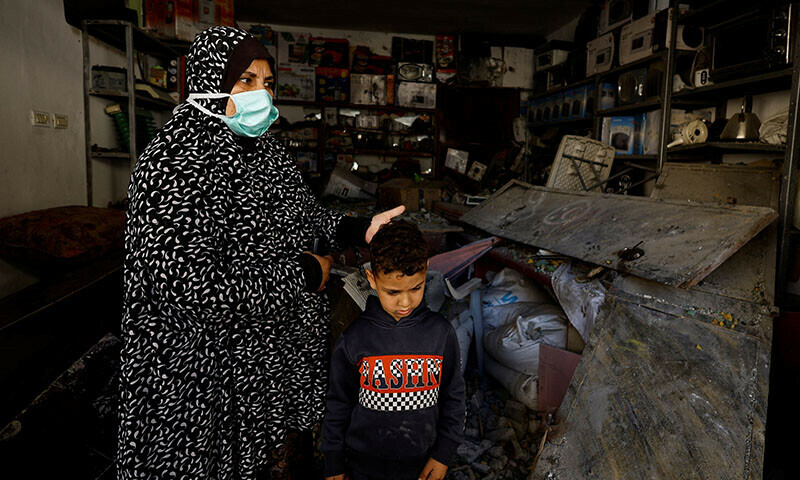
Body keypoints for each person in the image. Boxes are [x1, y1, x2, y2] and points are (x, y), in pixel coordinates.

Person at [118, 26, 403, 479]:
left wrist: (358, 229)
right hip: (198, 371)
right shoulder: (172, 162)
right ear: (208, 81)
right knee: (200, 464)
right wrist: (306, 272)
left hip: (259, 361)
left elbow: (306, 215)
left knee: (257, 463)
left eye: (267, 83)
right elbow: (196, 287)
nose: (260, 95)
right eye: (245, 80)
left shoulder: (264, 150)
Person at [321, 220, 466, 480]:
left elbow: (454, 398)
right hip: (363, 467)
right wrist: (334, 464)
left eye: (416, 287)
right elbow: (338, 405)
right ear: (372, 279)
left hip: (422, 465)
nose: (405, 301)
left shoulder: (440, 333)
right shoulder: (355, 338)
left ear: (426, 270)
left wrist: (443, 454)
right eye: (393, 291)